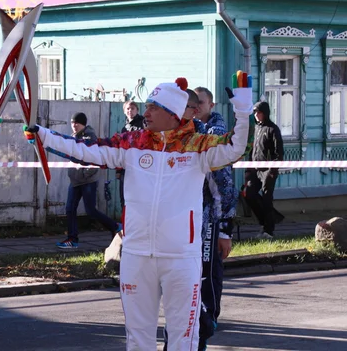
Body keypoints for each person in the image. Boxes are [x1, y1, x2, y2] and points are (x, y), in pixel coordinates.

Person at [24, 79, 252, 350]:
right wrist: (42, 135)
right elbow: (86, 150)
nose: (146, 113)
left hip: (180, 257)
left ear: (172, 114)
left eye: (153, 107)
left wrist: (242, 111)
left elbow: (236, 146)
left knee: (183, 338)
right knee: (138, 337)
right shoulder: (132, 143)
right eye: (147, 107)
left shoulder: (197, 146)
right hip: (137, 255)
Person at [194, 86, 239, 350]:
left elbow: (223, 187)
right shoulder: (191, 132)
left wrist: (224, 231)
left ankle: (205, 325)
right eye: (194, 103)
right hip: (189, 220)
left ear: (211, 105)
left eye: (201, 103)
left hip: (209, 219)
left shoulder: (215, 134)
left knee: (207, 276)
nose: (197, 108)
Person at [55, 112, 120, 250]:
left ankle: (115, 226)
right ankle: (72, 239)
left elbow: (94, 158)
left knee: (90, 210)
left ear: (83, 124)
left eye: (77, 123)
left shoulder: (90, 137)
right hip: (75, 180)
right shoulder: (73, 137)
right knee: (70, 209)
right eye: (72, 123)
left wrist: (85, 174)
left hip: (87, 180)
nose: (74, 125)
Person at [244, 101, 284, 239]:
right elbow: (252, 150)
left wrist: (273, 170)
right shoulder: (256, 129)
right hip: (254, 169)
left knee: (267, 199)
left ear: (265, 113)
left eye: (259, 112)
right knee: (249, 194)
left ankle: (269, 231)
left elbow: (279, 153)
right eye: (254, 112)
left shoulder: (273, 129)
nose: (256, 115)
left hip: (268, 170)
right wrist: (248, 170)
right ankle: (266, 221)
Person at [117, 101, 145, 209]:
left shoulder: (143, 124)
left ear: (137, 110)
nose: (130, 111)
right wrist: (118, 170)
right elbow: (121, 149)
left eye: (133, 108)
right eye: (128, 109)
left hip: (140, 167)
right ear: (124, 111)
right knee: (124, 198)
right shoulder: (124, 129)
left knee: (138, 198)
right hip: (126, 167)